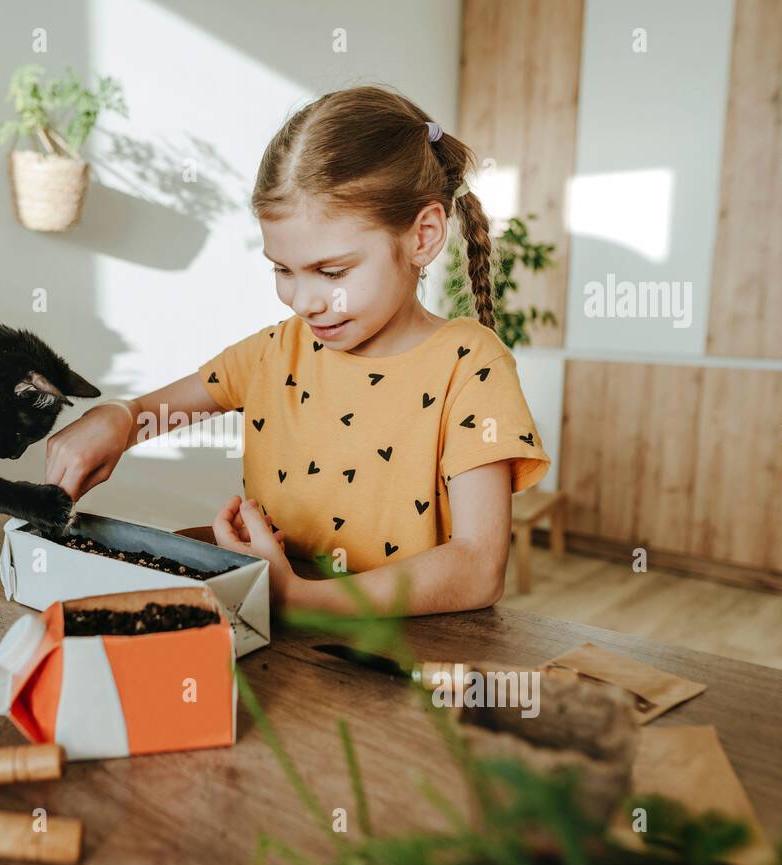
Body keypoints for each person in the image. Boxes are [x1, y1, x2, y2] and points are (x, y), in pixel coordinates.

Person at [45, 85, 550, 617]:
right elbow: (149, 415)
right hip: (275, 644)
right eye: (282, 270)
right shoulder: (278, 351)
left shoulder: (469, 366)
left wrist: (300, 598)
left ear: (422, 236)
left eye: (331, 272)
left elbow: (477, 567)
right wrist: (119, 419)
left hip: (402, 662)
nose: (303, 301)